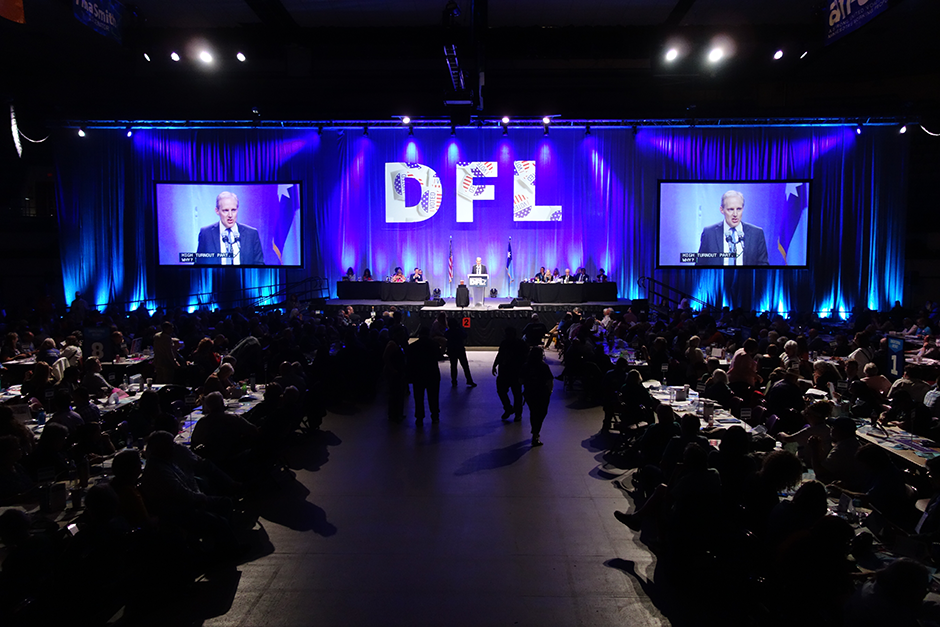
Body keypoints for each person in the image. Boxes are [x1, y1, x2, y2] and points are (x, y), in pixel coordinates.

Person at [695, 190, 769, 266]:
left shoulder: (756, 234)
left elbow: (763, 265)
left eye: (739, 209)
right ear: (722, 210)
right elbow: (700, 265)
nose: (735, 214)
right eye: (731, 209)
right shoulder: (709, 233)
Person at [195, 191, 265, 265]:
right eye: (226, 210)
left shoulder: (251, 234)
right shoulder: (206, 234)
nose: (230, 215)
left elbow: (259, 265)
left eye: (233, 210)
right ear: (217, 211)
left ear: (237, 210)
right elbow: (199, 265)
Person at [407, 327, 442, 425]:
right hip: (432, 373)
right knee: (434, 397)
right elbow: (439, 357)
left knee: (418, 398)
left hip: (418, 375)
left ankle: (419, 417)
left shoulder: (413, 346)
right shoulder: (434, 345)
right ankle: (435, 416)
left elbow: (409, 361)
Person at [492, 327, 528, 422]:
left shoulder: (519, 344)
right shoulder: (508, 343)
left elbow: (525, 358)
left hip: (514, 371)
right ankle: (510, 409)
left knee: (515, 393)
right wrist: (495, 364)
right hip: (507, 371)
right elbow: (500, 354)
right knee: (506, 392)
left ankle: (515, 412)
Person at [522, 347, 553, 446]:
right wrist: (550, 391)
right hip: (542, 393)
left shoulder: (526, 366)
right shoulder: (544, 366)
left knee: (533, 412)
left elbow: (520, 380)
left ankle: (535, 432)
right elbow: (549, 380)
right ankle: (536, 433)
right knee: (541, 413)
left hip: (530, 392)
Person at [444, 317, 476, 388]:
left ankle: (454, 381)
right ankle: (469, 380)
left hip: (452, 350)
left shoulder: (449, 332)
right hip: (460, 349)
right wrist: (460, 328)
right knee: (465, 366)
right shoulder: (459, 331)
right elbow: (465, 335)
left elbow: (445, 335)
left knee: (453, 366)